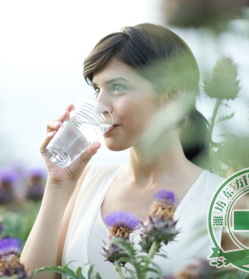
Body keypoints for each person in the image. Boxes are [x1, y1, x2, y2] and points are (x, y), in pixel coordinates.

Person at [20, 23, 225, 279]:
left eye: (117, 88)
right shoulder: (86, 183)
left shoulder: (227, 201)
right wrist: (58, 183)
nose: (99, 106)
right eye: (97, 89)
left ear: (172, 96)